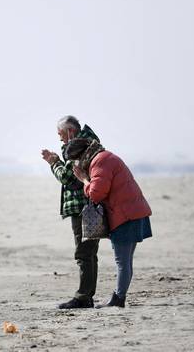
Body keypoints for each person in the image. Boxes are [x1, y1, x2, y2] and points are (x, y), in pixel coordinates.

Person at [69, 138, 152, 308]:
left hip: (125, 216)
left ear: (81, 155)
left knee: (122, 261)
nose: (76, 165)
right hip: (134, 212)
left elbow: (96, 194)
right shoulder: (104, 157)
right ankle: (119, 296)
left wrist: (84, 179)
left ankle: (118, 299)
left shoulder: (99, 162)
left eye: (74, 161)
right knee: (126, 261)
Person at [41, 115, 101, 309]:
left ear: (70, 132)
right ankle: (86, 295)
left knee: (84, 253)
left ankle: (84, 297)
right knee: (89, 253)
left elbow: (67, 177)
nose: (60, 139)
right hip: (91, 204)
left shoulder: (78, 146)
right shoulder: (89, 142)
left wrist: (54, 162)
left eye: (61, 134)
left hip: (82, 207)